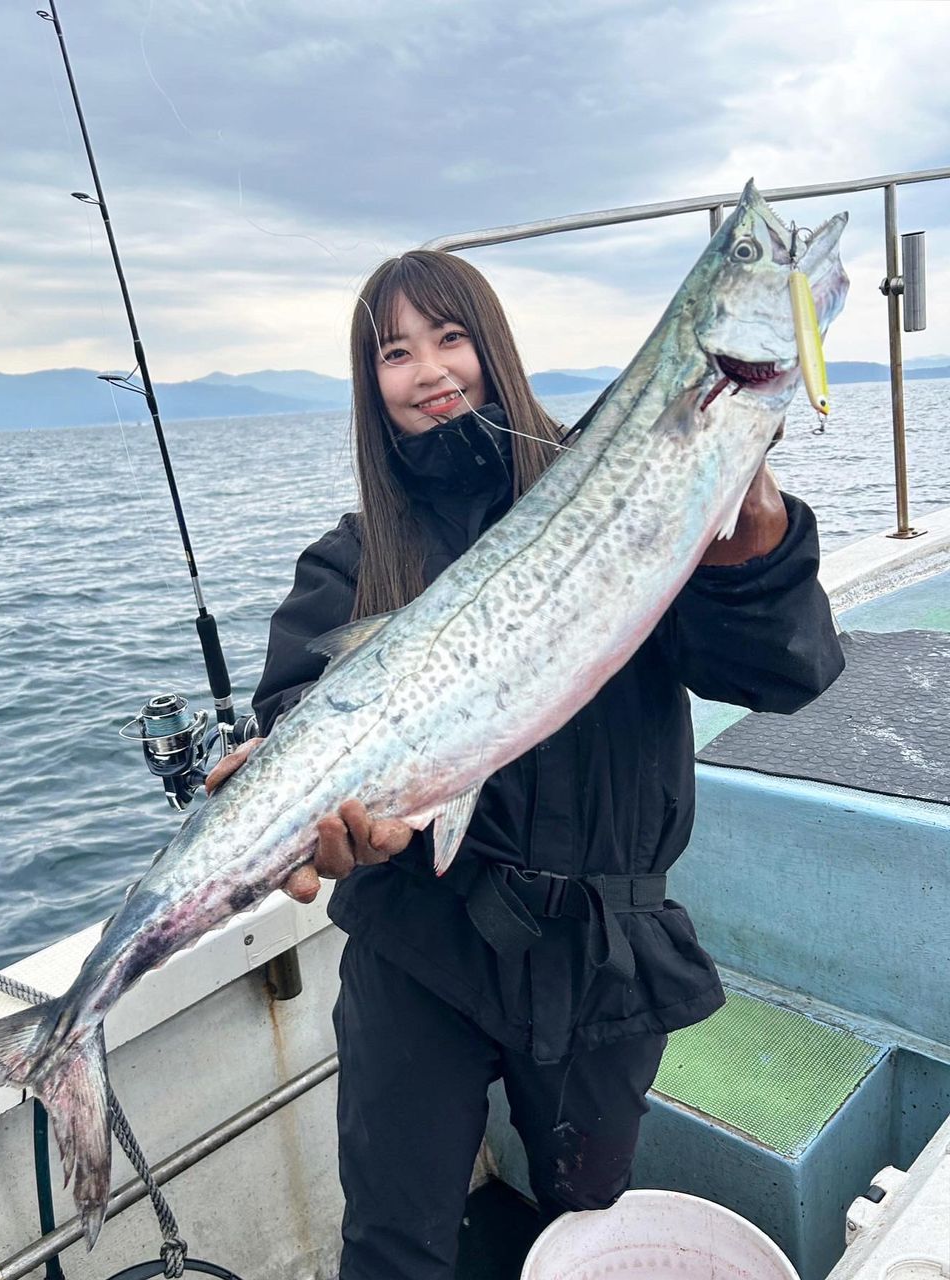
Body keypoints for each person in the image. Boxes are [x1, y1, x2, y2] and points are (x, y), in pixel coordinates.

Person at [206, 250, 845, 1280]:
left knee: (585, 1217)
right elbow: (298, 705)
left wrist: (756, 535)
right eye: (394, 352)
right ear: (371, 388)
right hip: (418, 946)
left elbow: (789, 670)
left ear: (492, 344)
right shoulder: (350, 556)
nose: (429, 369)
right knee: (390, 1240)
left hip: (600, 954)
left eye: (449, 335)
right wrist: (300, 775)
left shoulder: (621, 488)